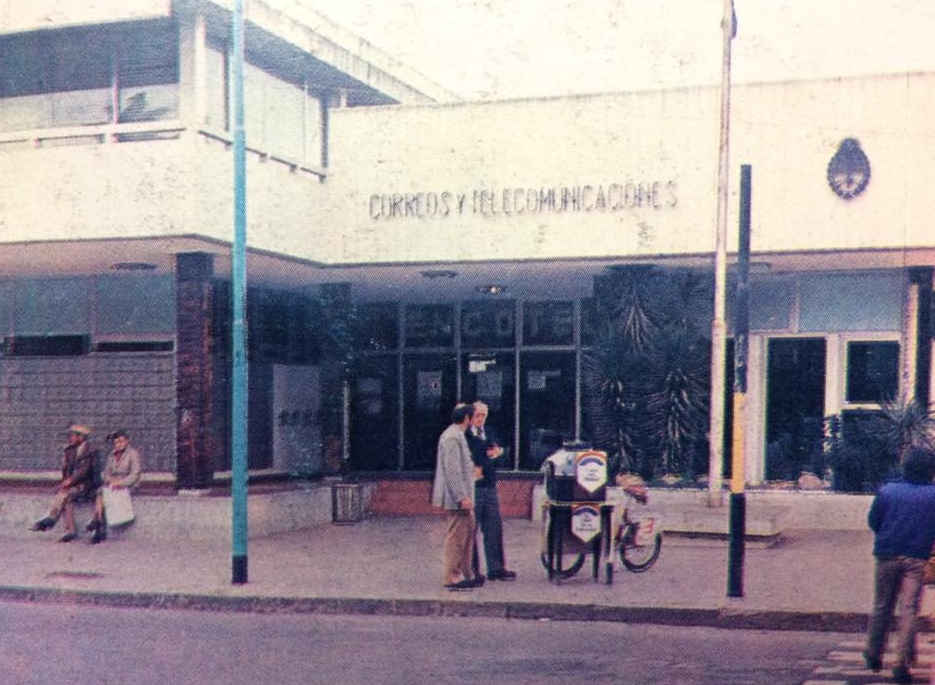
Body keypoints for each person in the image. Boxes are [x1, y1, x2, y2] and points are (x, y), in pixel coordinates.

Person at [863, 446, 935, 684]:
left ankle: (874, 652)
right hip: (916, 557)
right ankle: (900, 664)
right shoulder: (933, 495)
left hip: (886, 554)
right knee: (909, 609)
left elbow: (874, 520)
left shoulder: (887, 491)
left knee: (882, 605)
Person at [431, 402, 483, 591]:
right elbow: (452, 471)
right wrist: (461, 497)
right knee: (456, 538)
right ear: (467, 418)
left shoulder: (457, 435)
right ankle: (452, 576)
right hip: (458, 499)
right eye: (473, 416)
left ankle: (465, 573)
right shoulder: (451, 437)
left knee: (467, 535)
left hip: (465, 497)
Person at [465, 401, 517, 581]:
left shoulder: (490, 431)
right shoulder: (465, 436)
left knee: (494, 527)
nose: (481, 419)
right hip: (473, 486)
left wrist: (499, 452)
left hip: (489, 483)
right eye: (478, 415)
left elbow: (498, 448)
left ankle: (496, 568)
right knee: (471, 529)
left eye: (484, 416)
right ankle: (472, 570)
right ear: (470, 416)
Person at [30, 424, 99, 542]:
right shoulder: (70, 450)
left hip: (87, 485)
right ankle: (70, 531)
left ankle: (51, 518)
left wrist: (70, 481)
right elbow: (67, 470)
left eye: (73, 435)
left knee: (65, 493)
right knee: (66, 497)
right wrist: (65, 477)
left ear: (81, 437)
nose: (70, 438)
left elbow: (84, 471)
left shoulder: (91, 451)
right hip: (72, 486)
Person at [87, 430, 143, 544]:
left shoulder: (133, 454)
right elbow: (106, 473)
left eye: (121, 441)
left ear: (127, 441)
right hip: (113, 485)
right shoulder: (112, 455)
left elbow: (135, 474)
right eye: (116, 442)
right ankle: (98, 525)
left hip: (129, 484)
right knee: (101, 493)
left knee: (101, 493)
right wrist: (110, 480)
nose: (119, 444)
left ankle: (97, 525)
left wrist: (120, 483)